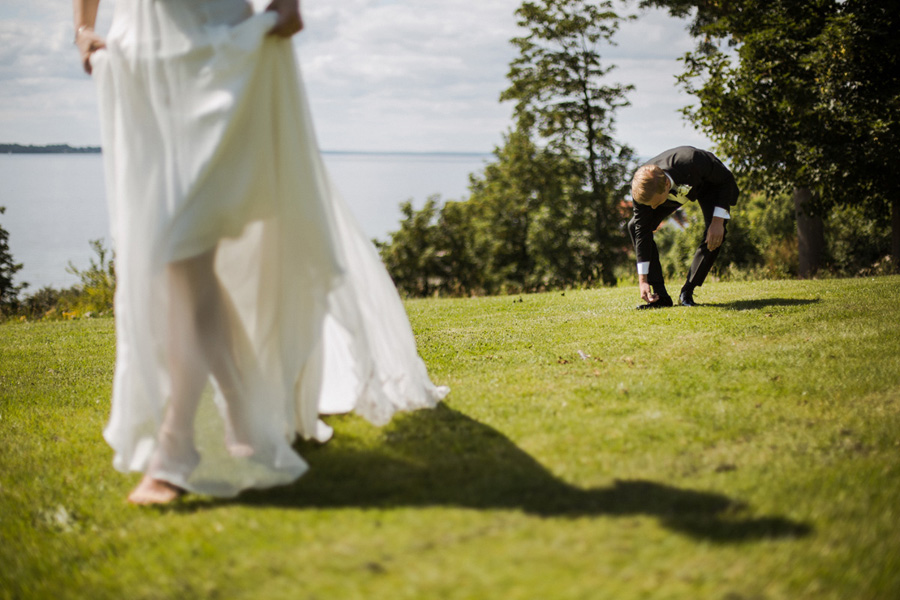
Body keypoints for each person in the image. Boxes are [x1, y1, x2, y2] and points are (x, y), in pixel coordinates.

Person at [73, 0, 448, 505]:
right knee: (179, 254)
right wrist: (83, 27)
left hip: (220, 51)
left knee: (182, 249)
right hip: (144, 54)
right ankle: (241, 408)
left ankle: (176, 448)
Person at [627, 146, 739, 309]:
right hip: (668, 196)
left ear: (666, 184)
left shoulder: (692, 160)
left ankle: (688, 291)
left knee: (715, 233)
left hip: (709, 184)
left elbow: (725, 179)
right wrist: (643, 280)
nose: (652, 209)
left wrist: (717, 221)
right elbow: (642, 232)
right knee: (635, 226)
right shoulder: (642, 187)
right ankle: (660, 297)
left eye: (655, 204)